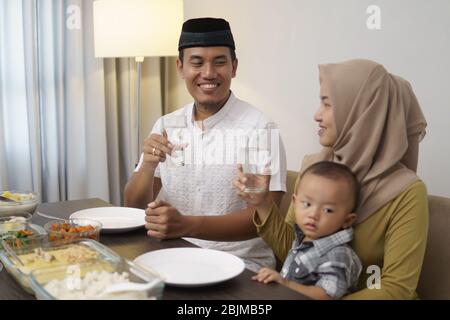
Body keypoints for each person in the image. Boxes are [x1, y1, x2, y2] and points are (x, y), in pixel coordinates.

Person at [236, 59, 428, 299]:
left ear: (361, 113)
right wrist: (262, 203)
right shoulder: (317, 168)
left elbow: (396, 288)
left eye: (327, 104)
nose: (317, 115)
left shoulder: (407, 192)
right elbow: (295, 253)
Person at [124, 17, 287, 272]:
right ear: (180, 67)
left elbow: (265, 221)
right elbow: (132, 209)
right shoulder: (167, 124)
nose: (209, 73)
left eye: (219, 62)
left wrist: (186, 225)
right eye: (197, 63)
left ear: (234, 67)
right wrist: (146, 167)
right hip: (169, 256)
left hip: (241, 266)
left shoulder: (260, 129)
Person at [252, 161, 362, 300]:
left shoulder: (338, 254)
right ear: (294, 202)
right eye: (307, 204)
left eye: (327, 210)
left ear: (347, 220)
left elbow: (326, 295)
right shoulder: (302, 237)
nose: (313, 214)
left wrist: (284, 283)